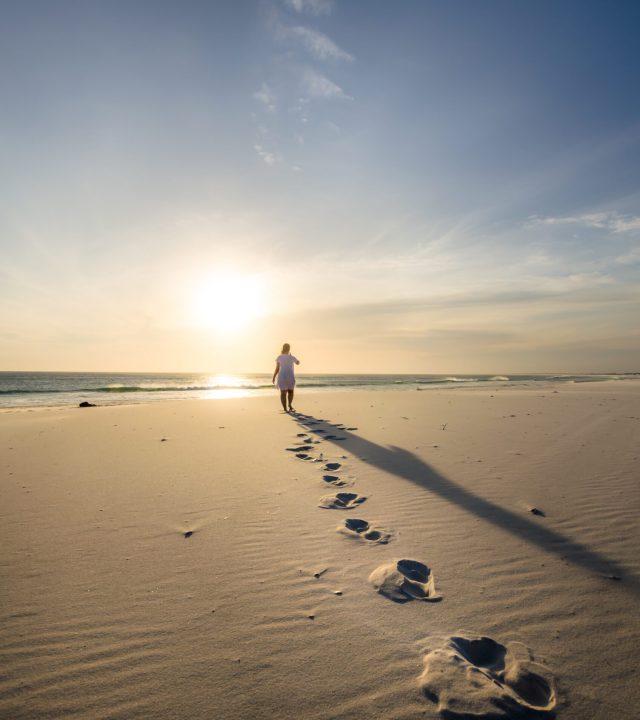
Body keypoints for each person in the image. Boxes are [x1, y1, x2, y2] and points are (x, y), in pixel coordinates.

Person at [272, 343, 300, 412]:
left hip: (282, 376)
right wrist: (294, 359)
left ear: (282, 348)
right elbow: (298, 363)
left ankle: (285, 409)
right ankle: (290, 405)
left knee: (283, 393)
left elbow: (277, 368)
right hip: (290, 376)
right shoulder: (292, 357)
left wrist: (274, 377)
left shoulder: (279, 357)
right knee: (291, 391)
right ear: (289, 349)